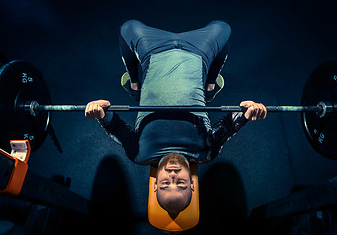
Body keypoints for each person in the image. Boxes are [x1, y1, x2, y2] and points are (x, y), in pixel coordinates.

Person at [85, 20, 267, 216]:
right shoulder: (205, 153)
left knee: (126, 28)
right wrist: (248, 112)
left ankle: (135, 85)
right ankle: (210, 87)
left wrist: (100, 114)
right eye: (180, 183)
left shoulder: (140, 154)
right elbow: (230, 125)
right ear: (192, 184)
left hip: (153, 53)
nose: (172, 175)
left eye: (165, 183)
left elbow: (116, 128)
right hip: (198, 54)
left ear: (155, 185)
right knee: (224, 29)